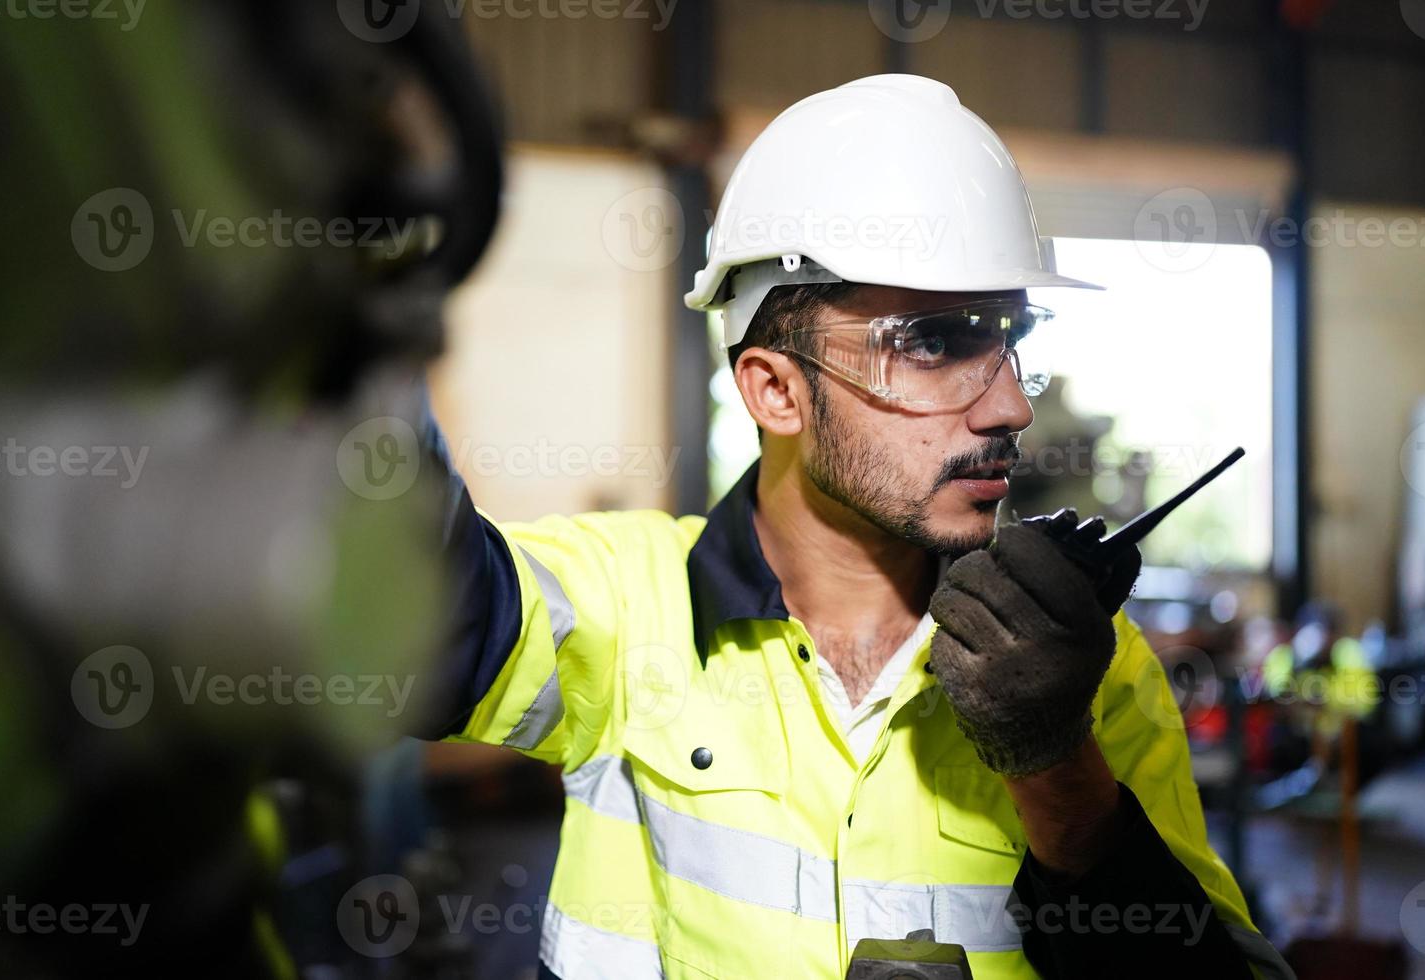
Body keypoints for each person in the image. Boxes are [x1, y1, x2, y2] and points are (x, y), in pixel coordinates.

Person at [418, 75, 1293, 979]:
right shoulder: (631, 603)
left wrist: (1054, 760)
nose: (1009, 407)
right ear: (776, 390)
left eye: (1011, 338)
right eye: (935, 341)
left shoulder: (1091, 667)